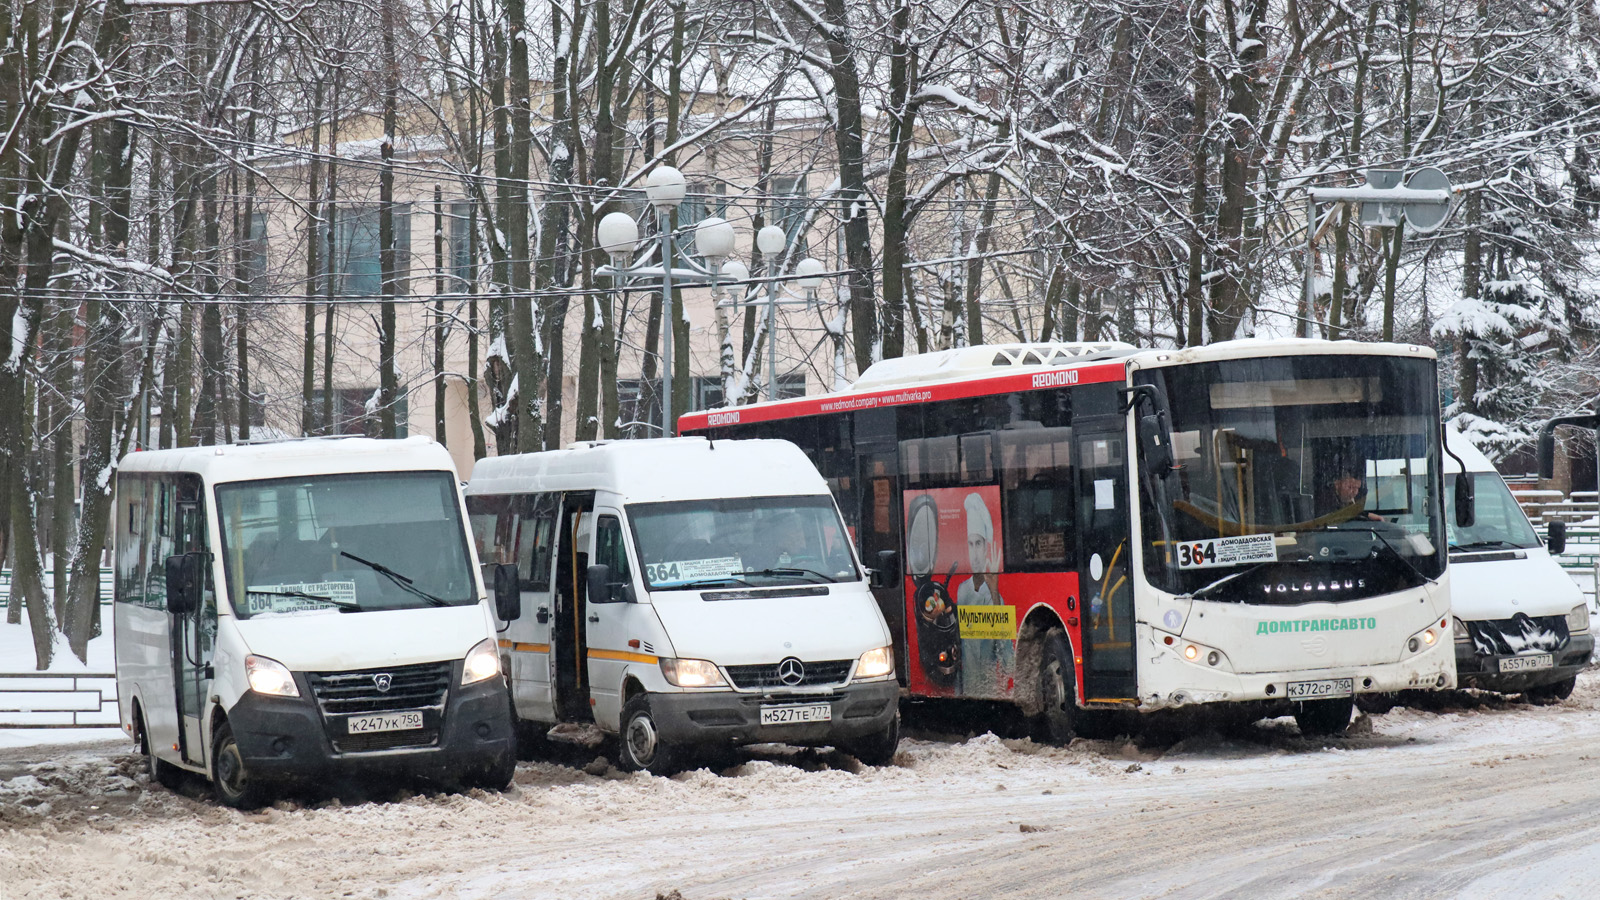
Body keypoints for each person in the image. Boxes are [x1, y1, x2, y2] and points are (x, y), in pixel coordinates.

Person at [955, 492, 1014, 697]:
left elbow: (1009, 663)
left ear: (986, 547)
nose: (975, 553)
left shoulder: (996, 599)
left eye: (978, 544)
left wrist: (995, 594)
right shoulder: (961, 591)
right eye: (970, 544)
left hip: (988, 696)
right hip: (964, 696)